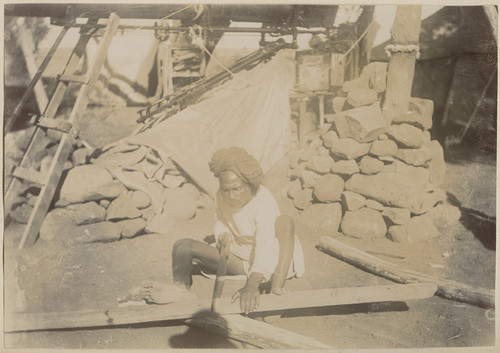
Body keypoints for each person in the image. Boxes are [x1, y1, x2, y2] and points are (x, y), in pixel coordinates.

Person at [135, 147, 304, 314]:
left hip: (272, 259)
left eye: (237, 189)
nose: (230, 196)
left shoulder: (263, 202)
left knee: (285, 222)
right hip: (241, 258)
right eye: (226, 189)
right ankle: (180, 289)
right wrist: (223, 236)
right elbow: (221, 222)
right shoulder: (222, 195)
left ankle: (276, 291)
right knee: (182, 246)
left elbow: (265, 247)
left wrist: (251, 286)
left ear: (250, 184)